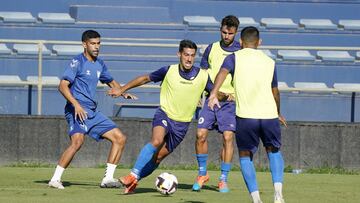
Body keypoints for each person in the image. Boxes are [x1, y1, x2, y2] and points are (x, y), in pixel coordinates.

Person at [107, 40, 223, 194]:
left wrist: (225, 96)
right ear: (179, 54)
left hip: (182, 125)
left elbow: (215, 92)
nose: (189, 59)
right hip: (165, 114)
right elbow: (144, 79)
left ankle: (135, 180)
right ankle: (132, 174)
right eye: (186, 55)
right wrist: (122, 89)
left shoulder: (202, 76)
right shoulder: (168, 70)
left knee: (158, 158)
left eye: (192, 55)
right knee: (156, 140)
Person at [48, 30, 136, 189]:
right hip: (77, 109)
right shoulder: (77, 61)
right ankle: (55, 179)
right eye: (93, 43)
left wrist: (122, 91)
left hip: (92, 112)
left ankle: (108, 179)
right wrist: (75, 104)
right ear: (84, 44)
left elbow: (111, 81)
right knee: (77, 142)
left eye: (98, 43)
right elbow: (62, 86)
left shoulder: (100, 64)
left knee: (120, 138)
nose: (96, 47)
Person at [208, 26, 287, 203]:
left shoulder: (234, 57)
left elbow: (222, 72)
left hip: (246, 116)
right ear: (259, 42)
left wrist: (213, 93)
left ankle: (256, 198)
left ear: (241, 42)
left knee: (245, 156)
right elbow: (275, 91)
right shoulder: (270, 61)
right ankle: (278, 192)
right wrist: (278, 112)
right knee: (273, 151)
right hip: (268, 115)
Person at [192, 15, 241, 193]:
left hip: (230, 102)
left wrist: (232, 95)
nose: (226, 36)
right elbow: (204, 74)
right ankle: (202, 174)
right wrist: (211, 93)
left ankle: (223, 179)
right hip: (212, 99)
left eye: (230, 33)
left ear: (236, 33)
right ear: (220, 29)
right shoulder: (211, 48)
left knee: (228, 137)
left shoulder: (241, 51)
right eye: (224, 32)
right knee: (200, 134)